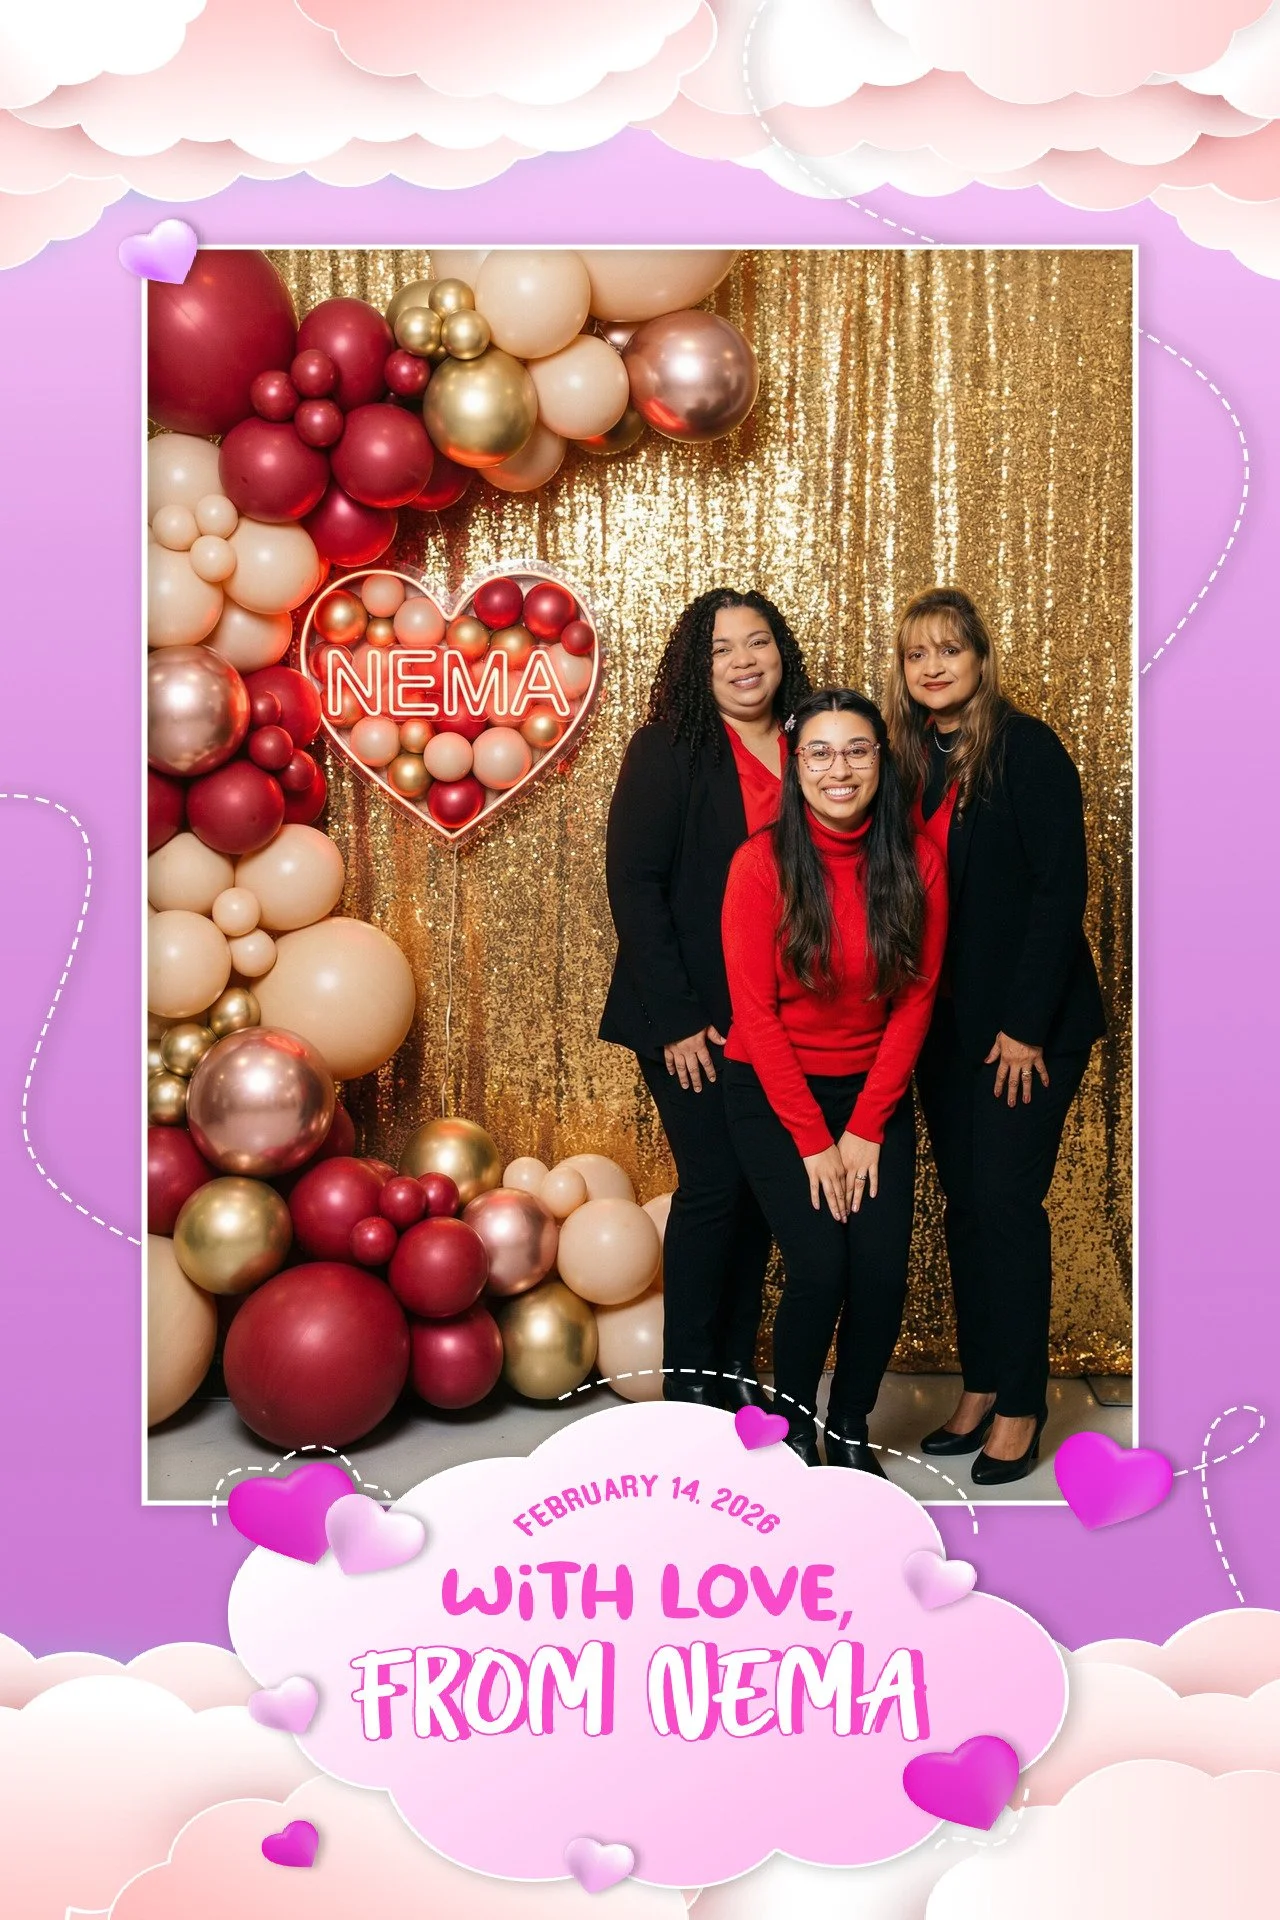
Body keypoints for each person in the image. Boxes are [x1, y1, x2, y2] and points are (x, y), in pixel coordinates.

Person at [887, 586, 1107, 1487]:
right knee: (970, 1211)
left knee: (1007, 1210)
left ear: (980, 658)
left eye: (950, 650)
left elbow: (1062, 894)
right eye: (915, 655)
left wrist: (1023, 1028)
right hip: (946, 1029)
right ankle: (980, 1385)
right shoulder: (915, 760)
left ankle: (1020, 1404)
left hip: (1027, 1032)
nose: (933, 666)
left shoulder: (1028, 749)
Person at [720, 689, 947, 1471]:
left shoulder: (918, 861)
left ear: (883, 762)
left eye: (857, 750)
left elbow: (914, 1002)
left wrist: (865, 1127)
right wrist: (817, 1143)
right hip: (775, 1095)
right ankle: (788, 1434)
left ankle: (847, 1429)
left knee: (880, 1272)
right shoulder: (759, 865)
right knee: (821, 1268)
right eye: (819, 751)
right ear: (796, 763)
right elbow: (756, 1016)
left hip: (871, 1096)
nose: (838, 768)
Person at [600, 589, 811, 1408]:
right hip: (694, 1021)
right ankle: (691, 1391)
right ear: (699, 664)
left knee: (760, 1196)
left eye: (758, 643)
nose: (744, 661)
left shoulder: (811, 746)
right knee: (715, 1190)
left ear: (781, 652)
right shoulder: (668, 748)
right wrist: (680, 1019)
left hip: (784, 1019)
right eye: (723, 650)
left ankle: (733, 1375)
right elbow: (636, 886)